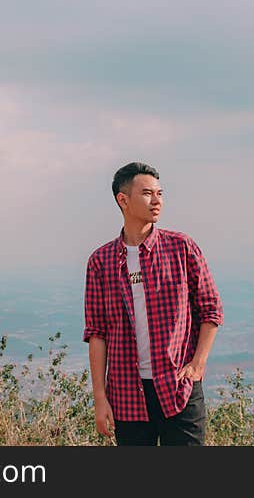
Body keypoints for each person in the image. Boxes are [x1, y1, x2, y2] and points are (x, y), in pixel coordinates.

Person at [83, 162, 224, 446]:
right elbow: (97, 333)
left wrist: (197, 365)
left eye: (160, 193)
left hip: (178, 388)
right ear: (123, 200)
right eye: (147, 193)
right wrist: (100, 397)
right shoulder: (101, 261)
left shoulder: (182, 248)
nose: (157, 200)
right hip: (127, 394)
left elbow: (211, 310)